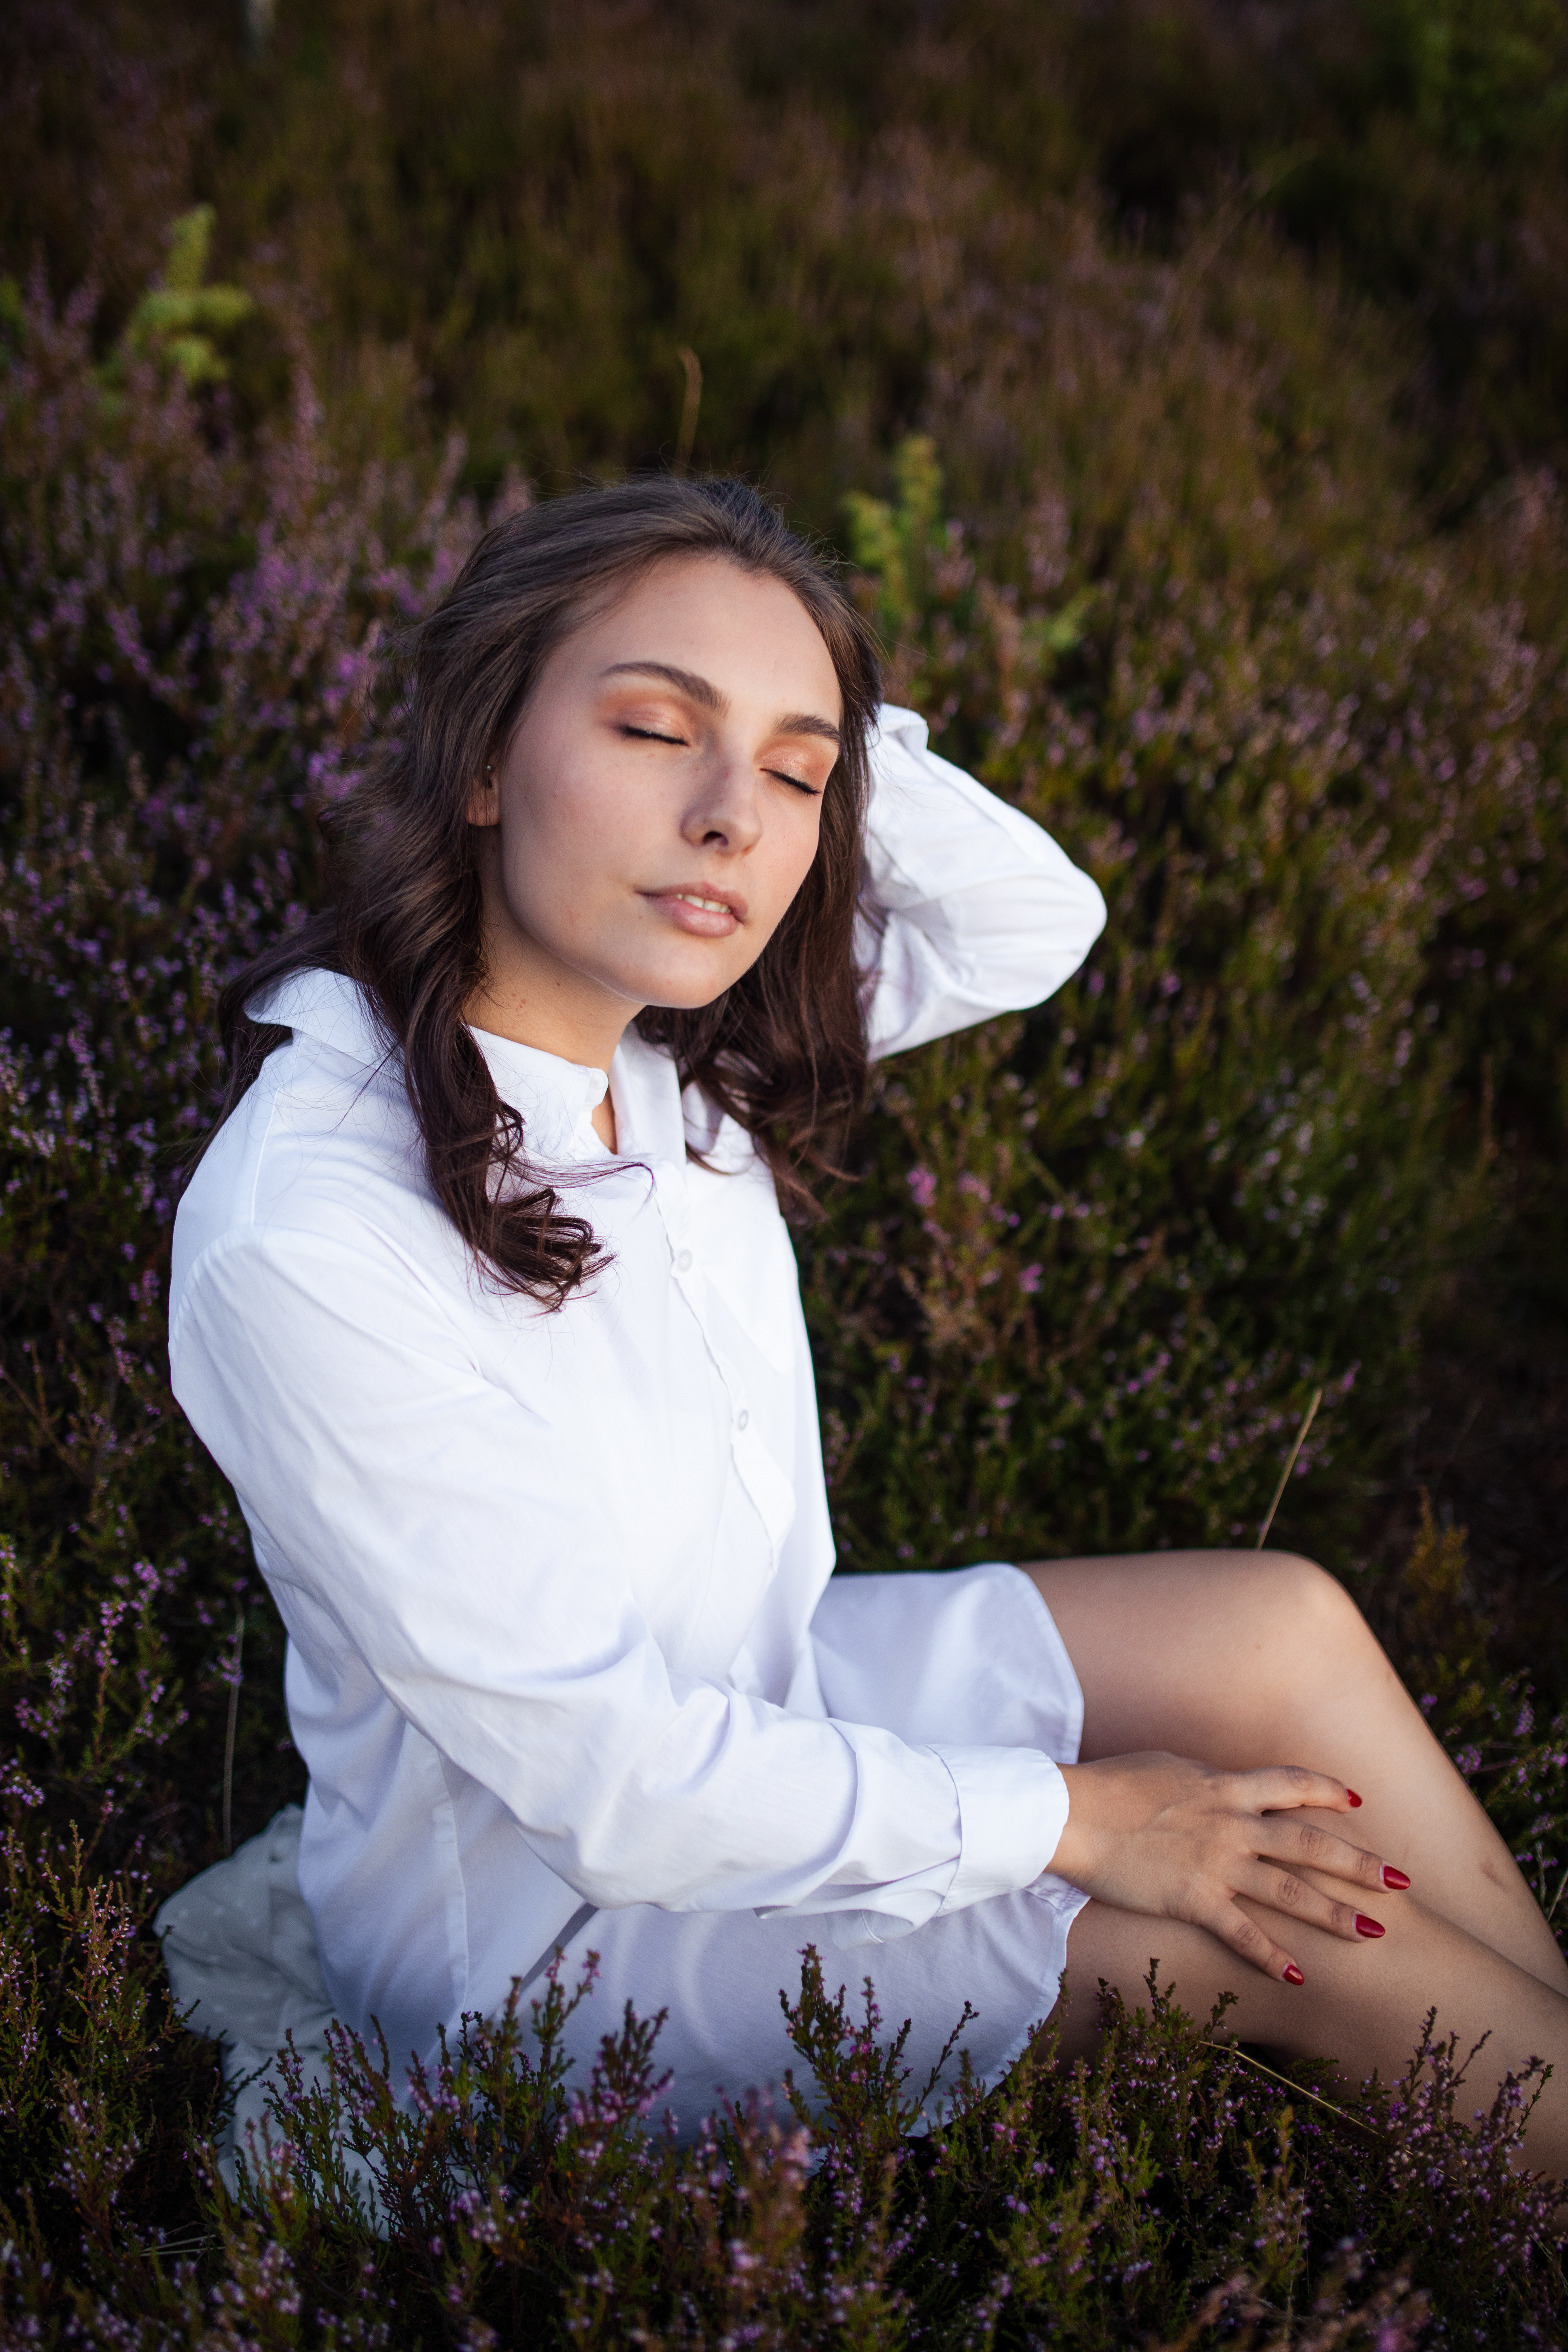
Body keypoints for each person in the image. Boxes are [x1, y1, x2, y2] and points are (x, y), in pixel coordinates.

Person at [158, 477, 1568, 2179]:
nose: (730, 820)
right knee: (1286, 1942)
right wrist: (1076, 1824)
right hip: (548, 1938)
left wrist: (813, 707)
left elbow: (1037, 924)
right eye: (652, 728)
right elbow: (616, 1781)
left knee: (1275, 1626)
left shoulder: (666, 1056)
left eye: (793, 773)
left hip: (762, 1685)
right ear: (478, 760)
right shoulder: (313, 1230)